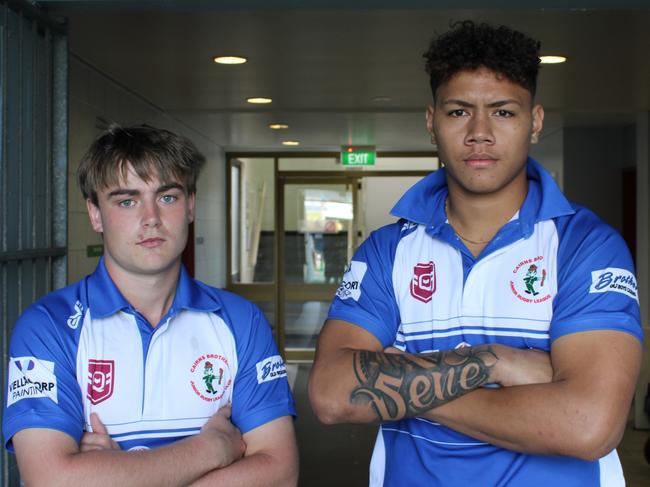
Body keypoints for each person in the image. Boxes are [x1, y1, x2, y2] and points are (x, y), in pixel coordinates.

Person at [309, 20, 642, 486]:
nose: (479, 133)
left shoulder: (585, 245)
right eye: (459, 112)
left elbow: (588, 424)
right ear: (432, 122)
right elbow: (329, 392)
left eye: (503, 112)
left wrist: (402, 382)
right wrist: (499, 362)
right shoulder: (387, 251)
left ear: (536, 122)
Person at [3, 125, 299, 486]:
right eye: (127, 201)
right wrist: (210, 451)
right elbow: (50, 480)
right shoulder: (48, 325)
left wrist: (114, 474)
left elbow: (279, 473)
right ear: (95, 214)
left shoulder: (240, 321)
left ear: (190, 205)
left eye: (167, 197)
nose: (150, 218)